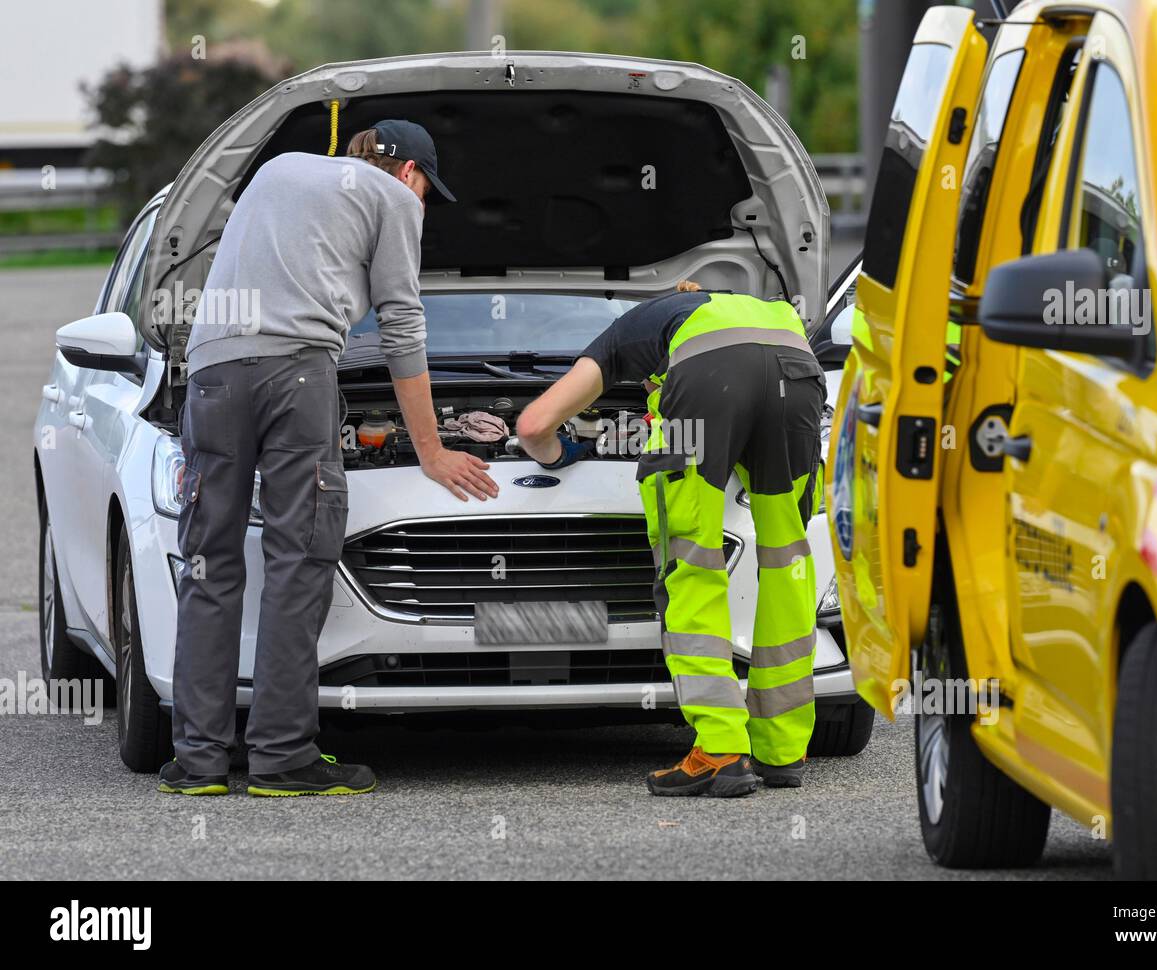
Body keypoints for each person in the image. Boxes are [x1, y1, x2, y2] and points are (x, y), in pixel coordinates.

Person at [159, 120, 498, 798]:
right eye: (430, 191)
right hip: (297, 377)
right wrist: (430, 450)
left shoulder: (280, 167)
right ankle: (282, 758)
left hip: (212, 375)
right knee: (297, 561)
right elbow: (401, 324)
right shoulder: (395, 199)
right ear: (409, 174)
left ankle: (197, 762)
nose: (423, 205)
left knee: (209, 563)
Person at [516, 282, 826, 797]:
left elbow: (532, 425)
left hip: (708, 384)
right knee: (787, 558)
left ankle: (722, 747)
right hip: (798, 372)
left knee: (692, 559)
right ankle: (782, 747)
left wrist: (558, 455)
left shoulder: (623, 333)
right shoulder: (746, 305)